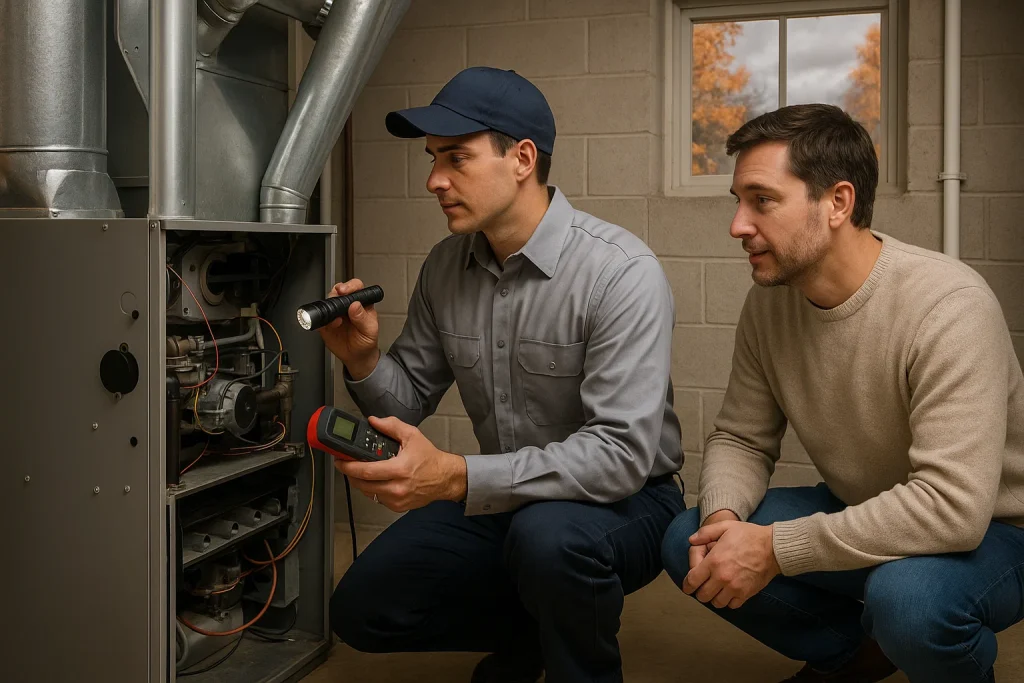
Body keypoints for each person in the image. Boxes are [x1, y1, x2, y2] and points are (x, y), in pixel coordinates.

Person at [322, 66, 685, 683]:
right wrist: (361, 357)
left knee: (550, 540)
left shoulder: (621, 273)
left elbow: (621, 455)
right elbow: (405, 402)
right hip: (507, 496)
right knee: (362, 609)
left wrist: (456, 476)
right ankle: (538, 631)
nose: (434, 180)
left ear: (521, 159)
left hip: (630, 500)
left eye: (456, 158)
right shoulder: (445, 266)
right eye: (433, 159)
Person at [660, 103, 1024, 683]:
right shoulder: (771, 301)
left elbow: (954, 509)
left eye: (763, 200)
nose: (737, 224)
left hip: (994, 533)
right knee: (690, 539)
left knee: (908, 600)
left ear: (838, 202)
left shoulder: (949, 306)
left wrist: (776, 548)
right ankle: (851, 656)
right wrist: (726, 521)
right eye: (737, 200)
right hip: (868, 505)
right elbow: (741, 437)